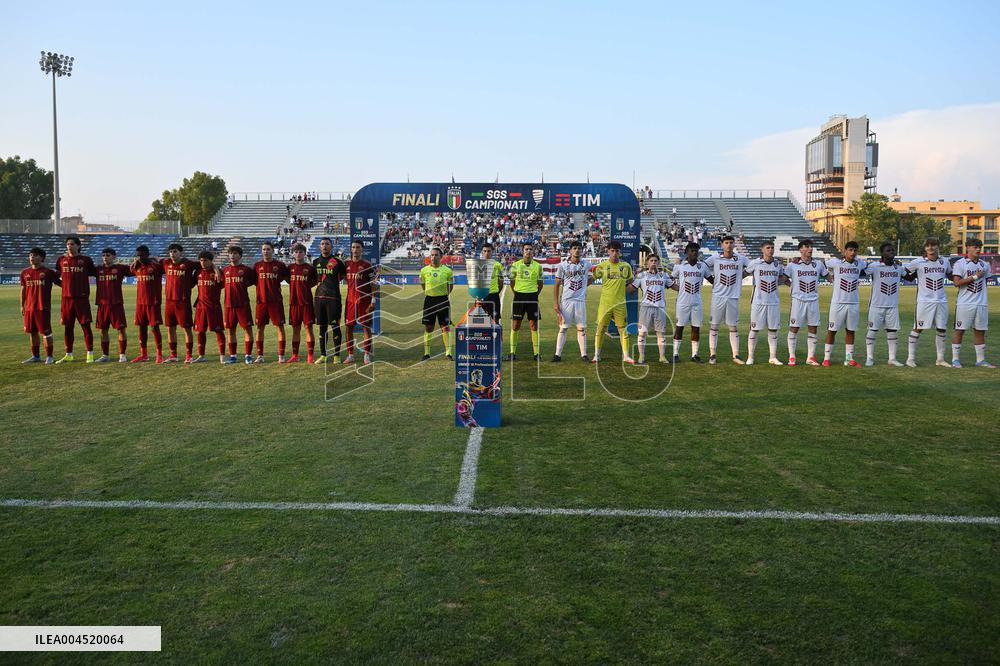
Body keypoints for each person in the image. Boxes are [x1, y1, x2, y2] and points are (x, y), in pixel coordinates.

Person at [904, 237, 952, 367]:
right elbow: (905, 273)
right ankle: (910, 359)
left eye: (933, 245)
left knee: (941, 329)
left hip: (941, 300)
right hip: (925, 301)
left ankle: (940, 359)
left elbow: (951, 275)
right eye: (928, 246)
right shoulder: (918, 262)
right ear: (925, 248)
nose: (930, 248)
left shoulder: (944, 261)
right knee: (918, 328)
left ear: (938, 247)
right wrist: (913, 276)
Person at [703, 235, 749, 364]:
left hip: (733, 297)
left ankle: (736, 355)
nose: (729, 245)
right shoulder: (715, 258)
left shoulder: (741, 258)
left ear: (734, 245)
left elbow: (752, 267)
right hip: (718, 296)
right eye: (726, 242)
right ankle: (712, 354)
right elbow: (703, 268)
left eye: (731, 242)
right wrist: (712, 280)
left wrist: (741, 275)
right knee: (714, 325)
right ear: (722, 245)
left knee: (733, 326)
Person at [951, 238, 994, 368]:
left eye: (979, 247)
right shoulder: (960, 263)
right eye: (975, 247)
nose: (978, 249)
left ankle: (980, 360)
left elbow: (986, 282)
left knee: (980, 331)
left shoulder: (984, 264)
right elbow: (957, 283)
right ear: (968, 248)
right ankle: (955, 360)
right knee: (960, 330)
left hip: (981, 304)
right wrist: (975, 277)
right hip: (965, 304)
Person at [822, 240, 867, 366]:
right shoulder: (835, 262)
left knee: (851, 330)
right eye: (850, 250)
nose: (853, 253)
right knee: (832, 330)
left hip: (853, 303)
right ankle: (826, 359)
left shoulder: (860, 264)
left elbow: (870, 266)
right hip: (838, 303)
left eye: (855, 250)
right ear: (845, 251)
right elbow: (821, 263)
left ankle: (849, 359)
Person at [54, 236, 97, 363]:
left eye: (72, 244)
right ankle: (69, 354)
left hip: (81, 299)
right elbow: (55, 277)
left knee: (86, 326)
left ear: (78, 246)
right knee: (68, 327)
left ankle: (90, 354)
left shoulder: (86, 260)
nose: (69, 246)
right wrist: (65, 286)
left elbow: (95, 273)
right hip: (66, 300)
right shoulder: (61, 260)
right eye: (68, 244)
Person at [784, 239, 827, 366]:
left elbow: (828, 277)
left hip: (813, 300)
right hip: (798, 301)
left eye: (811, 247)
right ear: (800, 249)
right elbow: (783, 278)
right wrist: (792, 286)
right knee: (794, 328)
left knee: (813, 328)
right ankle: (792, 357)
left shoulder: (818, 264)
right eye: (807, 247)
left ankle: (810, 357)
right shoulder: (792, 265)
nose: (810, 249)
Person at [592, 240, 635, 364]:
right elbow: (592, 278)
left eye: (617, 251)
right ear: (608, 251)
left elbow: (630, 280)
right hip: (605, 304)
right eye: (612, 251)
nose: (615, 253)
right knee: (601, 329)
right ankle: (596, 355)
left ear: (620, 252)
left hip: (620, 304)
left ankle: (626, 356)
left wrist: (625, 288)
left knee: (623, 330)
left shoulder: (626, 266)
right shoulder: (602, 266)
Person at [863, 242, 905, 366]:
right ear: (882, 253)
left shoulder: (898, 267)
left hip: (892, 306)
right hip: (876, 305)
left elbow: (909, 277)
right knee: (872, 331)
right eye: (888, 250)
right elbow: (860, 272)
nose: (891, 252)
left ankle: (892, 359)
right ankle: (869, 358)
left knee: (892, 331)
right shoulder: (874, 266)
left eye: (892, 250)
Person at [745, 240, 786, 365]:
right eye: (768, 247)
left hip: (774, 301)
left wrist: (793, 285)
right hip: (758, 301)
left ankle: (772, 357)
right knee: (754, 329)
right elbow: (743, 274)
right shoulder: (755, 263)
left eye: (772, 247)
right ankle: (750, 357)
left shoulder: (777, 264)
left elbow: (782, 278)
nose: (770, 250)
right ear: (762, 249)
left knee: (773, 330)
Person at [629, 254, 674, 364]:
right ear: (647, 263)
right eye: (651, 260)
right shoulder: (641, 275)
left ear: (658, 263)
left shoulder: (664, 275)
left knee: (661, 333)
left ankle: (662, 357)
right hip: (646, 307)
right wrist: (624, 284)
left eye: (655, 261)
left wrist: (684, 287)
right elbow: (632, 289)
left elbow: (673, 286)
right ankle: (641, 356)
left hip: (660, 307)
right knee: (642, 333)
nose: (653, 262)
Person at [552, 240, 592, 362]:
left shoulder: (587, 265)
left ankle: (584, 355)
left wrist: (588, 282)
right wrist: (555, 303)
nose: (577, 250)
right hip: (566, 301)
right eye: (574, 248)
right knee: (563, 328)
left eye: (579, 248)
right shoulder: (562, 266)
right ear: (570, 250)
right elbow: (557, 285)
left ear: (582, 250)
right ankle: (557, 355)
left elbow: (589, 279)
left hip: (580, 301)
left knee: (581, 328)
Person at [671, 242, 710, 363]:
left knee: (696, 328)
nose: (694, 253)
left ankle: (695, 355)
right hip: (682, 302)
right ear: (686, 252)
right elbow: (670, 279)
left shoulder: (702, 266)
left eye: (696, 251)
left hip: (697, 302)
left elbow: (712, 279)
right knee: (679, 327)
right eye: (692, 251)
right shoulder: (680, 266)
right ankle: (675, 354)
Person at [20, 247, 60, 364]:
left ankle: (49, 356)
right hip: (29, 308)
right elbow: (23, 290)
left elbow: (61, 283)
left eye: (35, 255)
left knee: (46, 333)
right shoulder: (24, 273)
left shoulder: (48, 272)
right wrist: (22, 305)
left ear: (42, 258)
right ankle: (35, 356)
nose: (32, 257)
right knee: (32, 332)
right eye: (30, 255)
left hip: (43, 308)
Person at [161, 243, 199, 363]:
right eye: (171, 252)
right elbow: (152, 260)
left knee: (186, 328)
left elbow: (204, 264)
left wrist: (192, 282)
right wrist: (136, 260)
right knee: (170, 328)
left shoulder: (188, 263)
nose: (172, 254)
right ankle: (173, 355)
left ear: (180, 252)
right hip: (169, 301)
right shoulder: (166, 263)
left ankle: (189, 355)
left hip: (183, 301)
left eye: (175, 251)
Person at [253, 241, 290, 363]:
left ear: (273, 251)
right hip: (261, 302)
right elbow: (254, 281)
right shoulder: (257, 265)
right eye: (264, 249)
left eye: (268, 249)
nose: (266, 251)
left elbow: (287, 278)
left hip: (275, 301)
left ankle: (281, 356)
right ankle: (260, 355)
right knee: (260, 328)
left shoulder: (280, 265)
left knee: (280, 327)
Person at [507, 242, 544, 361]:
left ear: (533, 251)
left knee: (534, 325)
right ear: (523, 251)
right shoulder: (515, 265)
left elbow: (540, 284)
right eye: (526, 249)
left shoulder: (538, 266)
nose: (528, 251)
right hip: (519, 297)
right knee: (515, 325)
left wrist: (534, 294)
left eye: (530, 249)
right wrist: (517, 293)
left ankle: (536, 354)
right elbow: (512, 282)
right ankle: (512, 352)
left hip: (532, 297)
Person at [312, 237, 346, 364]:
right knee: (322, 328)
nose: (324, 246)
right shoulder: (315, 262)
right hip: (319, 299)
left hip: (333, 299)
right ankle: (323, 355)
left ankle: (337, 355)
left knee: (335, 326)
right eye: (322, 244)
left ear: (331, 247)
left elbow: (344, 277)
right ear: (319, 247)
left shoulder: (338, 262)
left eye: (327, 244)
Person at [129, 245, 165, 363]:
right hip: (140, 303)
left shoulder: (156, 266)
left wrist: (155, 259)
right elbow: (129, 270)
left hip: (153, 302)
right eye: (138, 256)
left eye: (142, 255)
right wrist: (135, 262)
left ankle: (159, 354)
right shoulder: (136, 267)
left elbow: (166, 264)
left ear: (147, 255)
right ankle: (143, 354)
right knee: (142, 327)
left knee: (154, 327)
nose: (139, 258)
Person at [344, 240, 377, 365]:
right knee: (349, 328)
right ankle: (350, 355)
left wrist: (373, 300)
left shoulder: (367, 265)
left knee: (366, 328)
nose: (355, 249)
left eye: (358, 247)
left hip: (365, 301)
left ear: (362, 249)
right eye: (353, 247)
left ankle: (366, 355)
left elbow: (373, 284)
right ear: (351, 249)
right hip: (350, 302)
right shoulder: (346, 264)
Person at [94, 247, 130, 362]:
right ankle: (105, 355)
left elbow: (134, 269)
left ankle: (122, 354)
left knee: (121, 329)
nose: (105, 257)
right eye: (103, 255)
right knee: (103, 330)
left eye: (108, 255)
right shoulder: (97, 269)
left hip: (116, 304)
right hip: (102, 304)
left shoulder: (120, 268)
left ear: (114, 257)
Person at [223, 246, 256, 365]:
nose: (232, 255)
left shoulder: (246, 270)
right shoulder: (225, 270)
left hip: (243, 304)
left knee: (247, 329)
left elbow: (253, 280)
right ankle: (233, 356)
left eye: (235, 253)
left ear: (240, 256)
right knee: (230, 330)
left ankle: (248, 355)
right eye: (230, 253)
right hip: (229, 305)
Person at [419, 247, 454, 360]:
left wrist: (443, 295)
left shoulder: (447, 271)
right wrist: (430, 293)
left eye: (436, 255)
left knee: (445, 327)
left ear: (441, 257)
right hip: (429, 301)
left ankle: (448, 353)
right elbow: (423, 285)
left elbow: (450, 287)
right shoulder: (424, 270)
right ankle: (426, 353)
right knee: (429, 327)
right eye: (432, 255)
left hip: (443, 300)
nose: (433, 257)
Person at [192, 251, 226, 363]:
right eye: (201, 260)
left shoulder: (218, 273)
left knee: (218, 331)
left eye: (205, 260)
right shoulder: (197, 272)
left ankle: (222, 356)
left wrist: (216, 269)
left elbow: (223, 285)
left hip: (214, 307)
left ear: (211, 261)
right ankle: (201, 355)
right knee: (200, 331)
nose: (203, 262)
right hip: (200, 307)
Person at [288, 243, 319, 363]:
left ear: (305, 254)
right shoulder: (290, 268)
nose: (298, 254)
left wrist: (306, 286)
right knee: (295, 329)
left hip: (306, 303)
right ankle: (295, 355)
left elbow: (315, 281)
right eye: (296, 252)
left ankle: (310, 355)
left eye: (301, 252)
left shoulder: (310, 268)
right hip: (294, 303)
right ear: (293, 254)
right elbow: (287, 279)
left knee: (308, 328)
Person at [480, 243, 505, 324]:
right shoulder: (478, 265)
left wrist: (496, 292)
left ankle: (496, 332)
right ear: (482, 252)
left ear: (492, 252)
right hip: (481, 296)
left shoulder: (498, 265)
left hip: (494, 296)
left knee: (495, 320)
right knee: (483, 321)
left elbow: (501, 283)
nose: (486, 253)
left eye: (489, 251)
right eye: (485, 251)